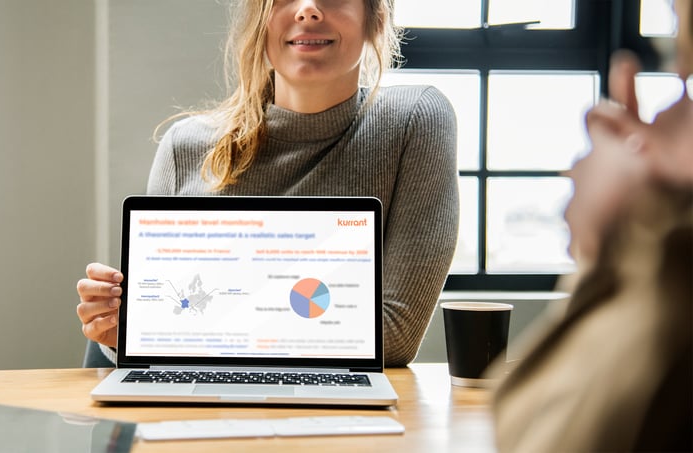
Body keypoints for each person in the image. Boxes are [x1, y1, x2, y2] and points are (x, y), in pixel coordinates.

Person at [76, 0, 459, 367]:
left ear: (375, 19)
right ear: (260, 21)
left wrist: (184, 330)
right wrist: (122, 332)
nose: (308, 9)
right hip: (195, 410)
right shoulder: (184, 146)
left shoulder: (414, 121)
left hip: (335, 419)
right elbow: (157, 332)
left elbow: (394, 334)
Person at [492, 1, 692, 451]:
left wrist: (622, 231)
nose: (665, 116)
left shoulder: (675, 289)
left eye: (687, 70)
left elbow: (543, 431)